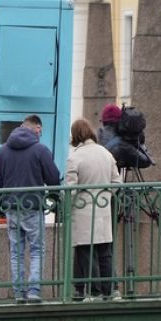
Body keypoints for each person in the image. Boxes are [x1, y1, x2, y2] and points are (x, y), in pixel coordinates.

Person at [0, 115, 61, 303]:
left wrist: (2, 204)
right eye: (40, 129)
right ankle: (34, 291)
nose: (40, 133)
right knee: (37, 249)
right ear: (36, 127)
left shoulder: (3, 151)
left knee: (16, 251)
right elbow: (54, 178)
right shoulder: (40, 150)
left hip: (11, 208)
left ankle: (18, 293)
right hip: (33, 206)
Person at [65, 119, 122, 301]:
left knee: (86, 252)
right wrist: (105, 196)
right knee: (105, 251)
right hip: (103, 210)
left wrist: (66, 204)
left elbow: (70, 190)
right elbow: (117, 182)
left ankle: (94, 291)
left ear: (75, 136)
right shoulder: (105, 153)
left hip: (83, 211)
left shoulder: (75, 157)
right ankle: (111, 291)